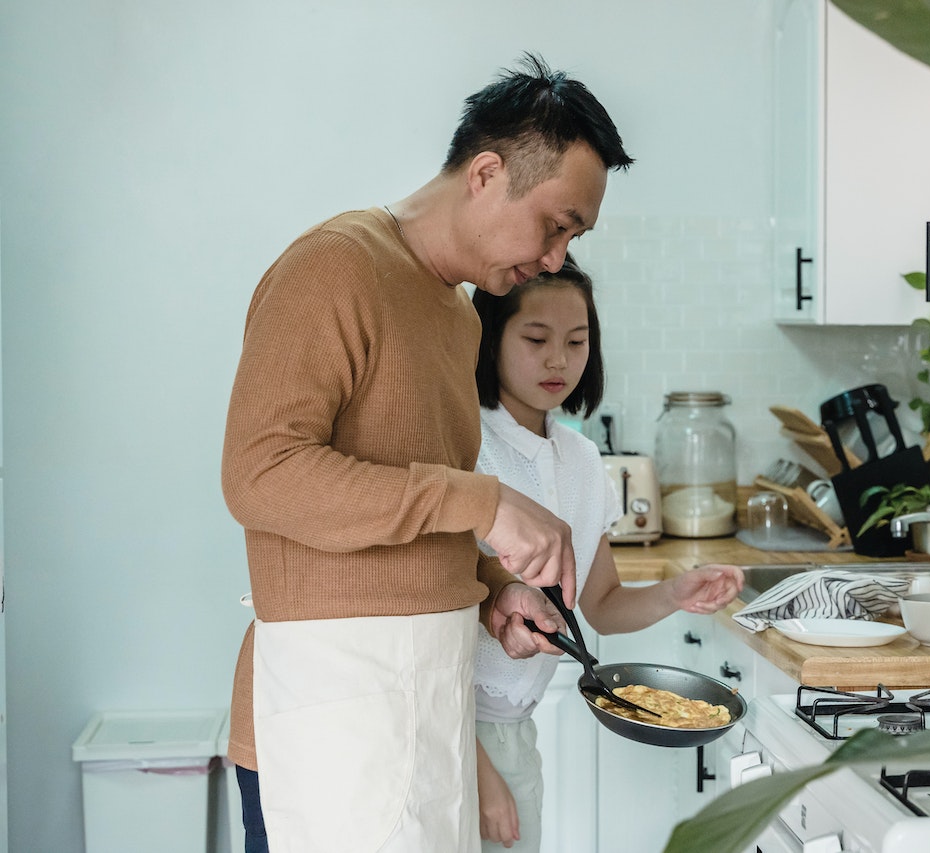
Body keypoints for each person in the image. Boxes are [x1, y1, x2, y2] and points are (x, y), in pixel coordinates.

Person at [220, 54, 633, 853]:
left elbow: (408, 510)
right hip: (325, 731)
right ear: (487, 173)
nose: (555, 259)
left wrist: (491, 590)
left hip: (426, 716)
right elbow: (259, 475)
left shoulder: (458, 320)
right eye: (555, 225)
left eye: (573, 236)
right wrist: (486, 504)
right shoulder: (335, 266)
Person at [469, 257, 745, 851]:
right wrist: (481, 774)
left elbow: (601, 605)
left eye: (577, 342)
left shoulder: (582, 459)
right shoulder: (468, 447)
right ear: (491, 339)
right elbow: (434, 623)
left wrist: (676, 592)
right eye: (536, 339)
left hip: (515, 734)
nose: (558, 361)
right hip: (453, 735)